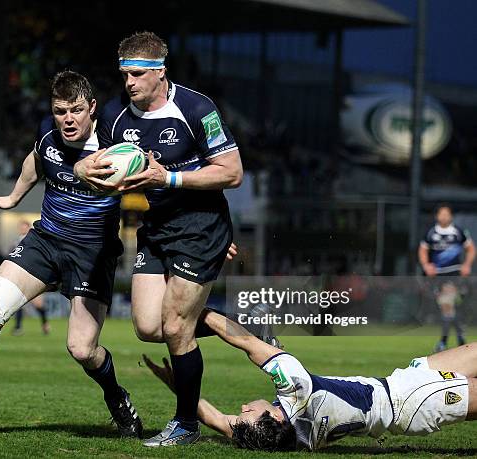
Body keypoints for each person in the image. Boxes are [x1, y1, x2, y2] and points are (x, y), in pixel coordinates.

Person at [0, 70, 143, 438]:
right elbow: (34, 162)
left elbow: (151, 180)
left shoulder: (117, 143)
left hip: (92, 253)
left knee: (82, 349)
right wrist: (12, 198)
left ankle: (116, 396)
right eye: (60, 111)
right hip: (46, 241)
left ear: (92, 109)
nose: (68, 119)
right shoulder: (47, 134)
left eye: (76, 110)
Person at [75, 31, 243, 446]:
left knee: (175, 326)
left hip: (201, 229)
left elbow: (232, 172)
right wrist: (85, 172)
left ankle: (185, 425)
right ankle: (239, 327)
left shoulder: (196, 108)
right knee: (148, 326)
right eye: (124, 74)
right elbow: (91, 162)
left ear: (159, 72)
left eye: (136, 74)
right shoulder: (115, 116)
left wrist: (166, 176)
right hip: (157, 228)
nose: (129, 82)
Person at [144, 309, 477, 451]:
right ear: (272, 416)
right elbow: (246, 341)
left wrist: (179, 383)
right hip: (414, 402)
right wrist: (192, 311)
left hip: (403, 383)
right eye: (248, 410)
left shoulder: (287, 438)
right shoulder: (297, 391)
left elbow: (217, 419)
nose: (244, 406)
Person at [418, 204, 475, 351]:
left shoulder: (458, 232)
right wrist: (426, 265)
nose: (444, 216)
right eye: (441, 214)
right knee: (448, 309)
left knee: (446, 305)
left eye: (446, 214)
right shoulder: (431, 233)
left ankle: (443, 342)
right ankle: (461, 338)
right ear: (437, 216)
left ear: (451, 216)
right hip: (437, 275)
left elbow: (471, 249)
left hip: (453, 273)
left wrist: (467, 265)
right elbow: (423, 250)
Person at [10, 219, 50, 336]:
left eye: (24, 227)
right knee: (18, 302)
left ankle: (45, 324)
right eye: (21, 227)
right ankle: (18, 327)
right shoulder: (16, 242)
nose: (22, 229)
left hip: (35, 274)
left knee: (38, 304)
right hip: (21, 274)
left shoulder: (36, 240)